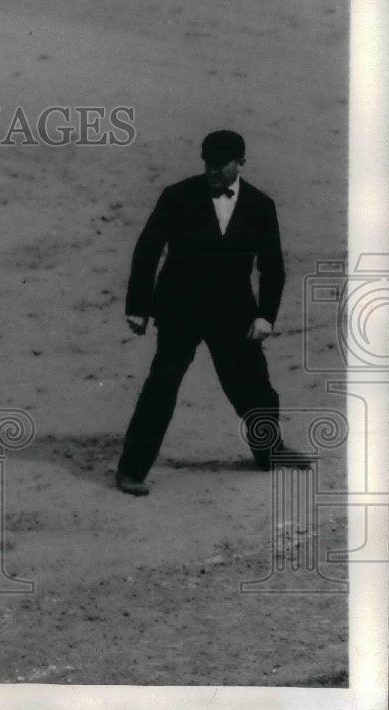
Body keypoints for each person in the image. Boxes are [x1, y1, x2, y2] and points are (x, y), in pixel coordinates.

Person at [115, 129, 312, 496]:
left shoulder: (260, 205)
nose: (213, 171)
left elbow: (272, 267)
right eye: (208, 163)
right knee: (161, 387)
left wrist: (265, 316)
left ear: (241, 163)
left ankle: (270, 452)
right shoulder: (177, 196)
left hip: (233, 313)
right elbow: (148, 250)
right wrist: (138, 307)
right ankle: (131, 469)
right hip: (180, 310)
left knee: (254, 387)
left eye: (221, 164)